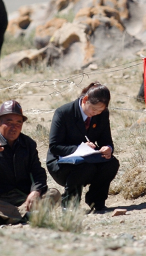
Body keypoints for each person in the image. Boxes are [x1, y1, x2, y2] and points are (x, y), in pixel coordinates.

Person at [0, 100, 60, 225]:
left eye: (18, 123)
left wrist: (35, 191)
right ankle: (24, 215)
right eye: (9, 122)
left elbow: (38, 172)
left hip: (21, 197)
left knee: (54, 193)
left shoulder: (28, 144)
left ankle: (2, 216)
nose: (14, 127)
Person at [47, 82, 119, 211]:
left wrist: (108, 148)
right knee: (84, 167)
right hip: (61, 162)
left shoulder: (102, 114)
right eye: (94, 109)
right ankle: (69, 205)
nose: (96, 113)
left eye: (100, 110)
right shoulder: (64, 113)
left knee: (111, 164)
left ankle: (96, 202)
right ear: (85, 100)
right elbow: (55, 146)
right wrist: (79, 148)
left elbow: (106, 140)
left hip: (89, 158)